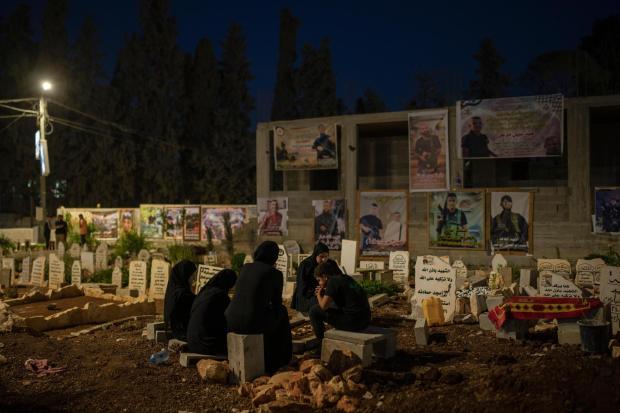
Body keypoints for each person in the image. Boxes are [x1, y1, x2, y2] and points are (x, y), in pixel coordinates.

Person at [225, 241, 292, 374]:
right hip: (251, 323)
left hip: (231, 319)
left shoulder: (245, 267)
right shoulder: (274, 273)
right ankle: (279, 358)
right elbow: (277, 303)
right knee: (282, 312)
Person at [309, 260, 371, 341]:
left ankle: (321, 343)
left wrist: (318, 295)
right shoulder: (347, 278)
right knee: (331, 306)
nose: (319, 283)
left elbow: (323, 306)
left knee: (314, 311)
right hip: (365, 320)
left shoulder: (333, 281)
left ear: (325, 276)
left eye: (319, 280)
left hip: (354, 323)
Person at [187, 269, 237, 355]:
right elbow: (229, 320)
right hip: (206, 345)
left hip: (192, 343)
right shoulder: (220, 295)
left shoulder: (205, 291)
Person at [291, 242, 329, 314]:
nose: (324, 259)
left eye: (326, 256)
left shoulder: (329, 263)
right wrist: (316, 292)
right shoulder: (306, 265)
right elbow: (302, 286)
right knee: (318, 305)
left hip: (323, 292)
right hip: (307, 295)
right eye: (321, 257)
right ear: (315, 255)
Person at [163, 260, 197, 340]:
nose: (193, 278)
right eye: (192, 275)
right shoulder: (181, 294)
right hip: (182, 332)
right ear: (185, 275)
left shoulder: (175, 288)